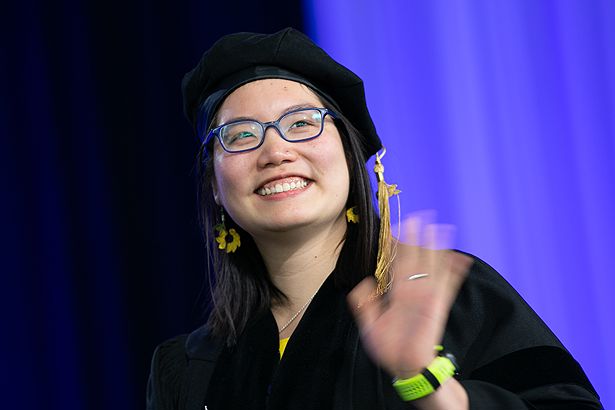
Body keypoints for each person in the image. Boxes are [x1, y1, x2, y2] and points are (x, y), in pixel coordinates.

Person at [146, 27, 603, 410]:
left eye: (303, 123)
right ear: (214, 185)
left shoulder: (452, 297)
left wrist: (424, 379)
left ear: (349, 154)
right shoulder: (188, 371)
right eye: (240, 135)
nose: (276, 151)